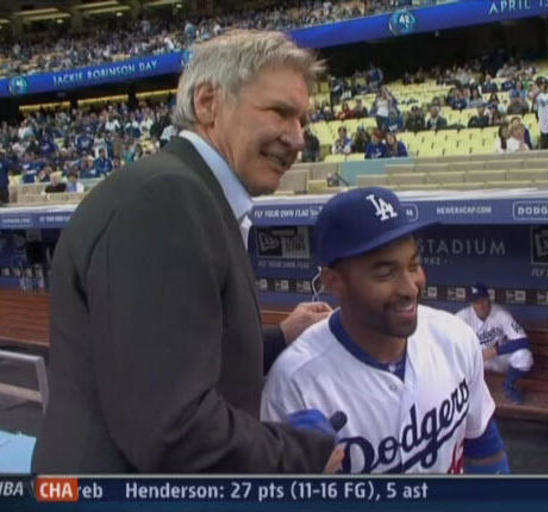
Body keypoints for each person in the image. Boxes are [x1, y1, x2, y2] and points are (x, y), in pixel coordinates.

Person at [32, 30, 339, 474]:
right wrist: (304, 454)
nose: (297, 138)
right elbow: (175, 430)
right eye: (280, 113)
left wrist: (280, 336)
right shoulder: (167, 200)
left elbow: (170, 352)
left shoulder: (184, 190)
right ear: (208, 103)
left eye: (303, 121)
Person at [262, 187, 509, 474]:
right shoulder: (295, 383)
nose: (409, 287)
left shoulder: (454, 337)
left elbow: (481, 439)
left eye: (413, 265)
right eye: (385, 273)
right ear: (333, 281)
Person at [456, 284, 533, 404]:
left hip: (499, 358)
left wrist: (495, 350)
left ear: (489, 299)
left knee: (524, 356)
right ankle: (466, 394)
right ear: (471, 304)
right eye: (476, 302)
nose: (480, 305)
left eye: (483, 301)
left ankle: (509, 386)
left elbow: (523, 341)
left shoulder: (501, 314)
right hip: (476, 362)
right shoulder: (462, 317)